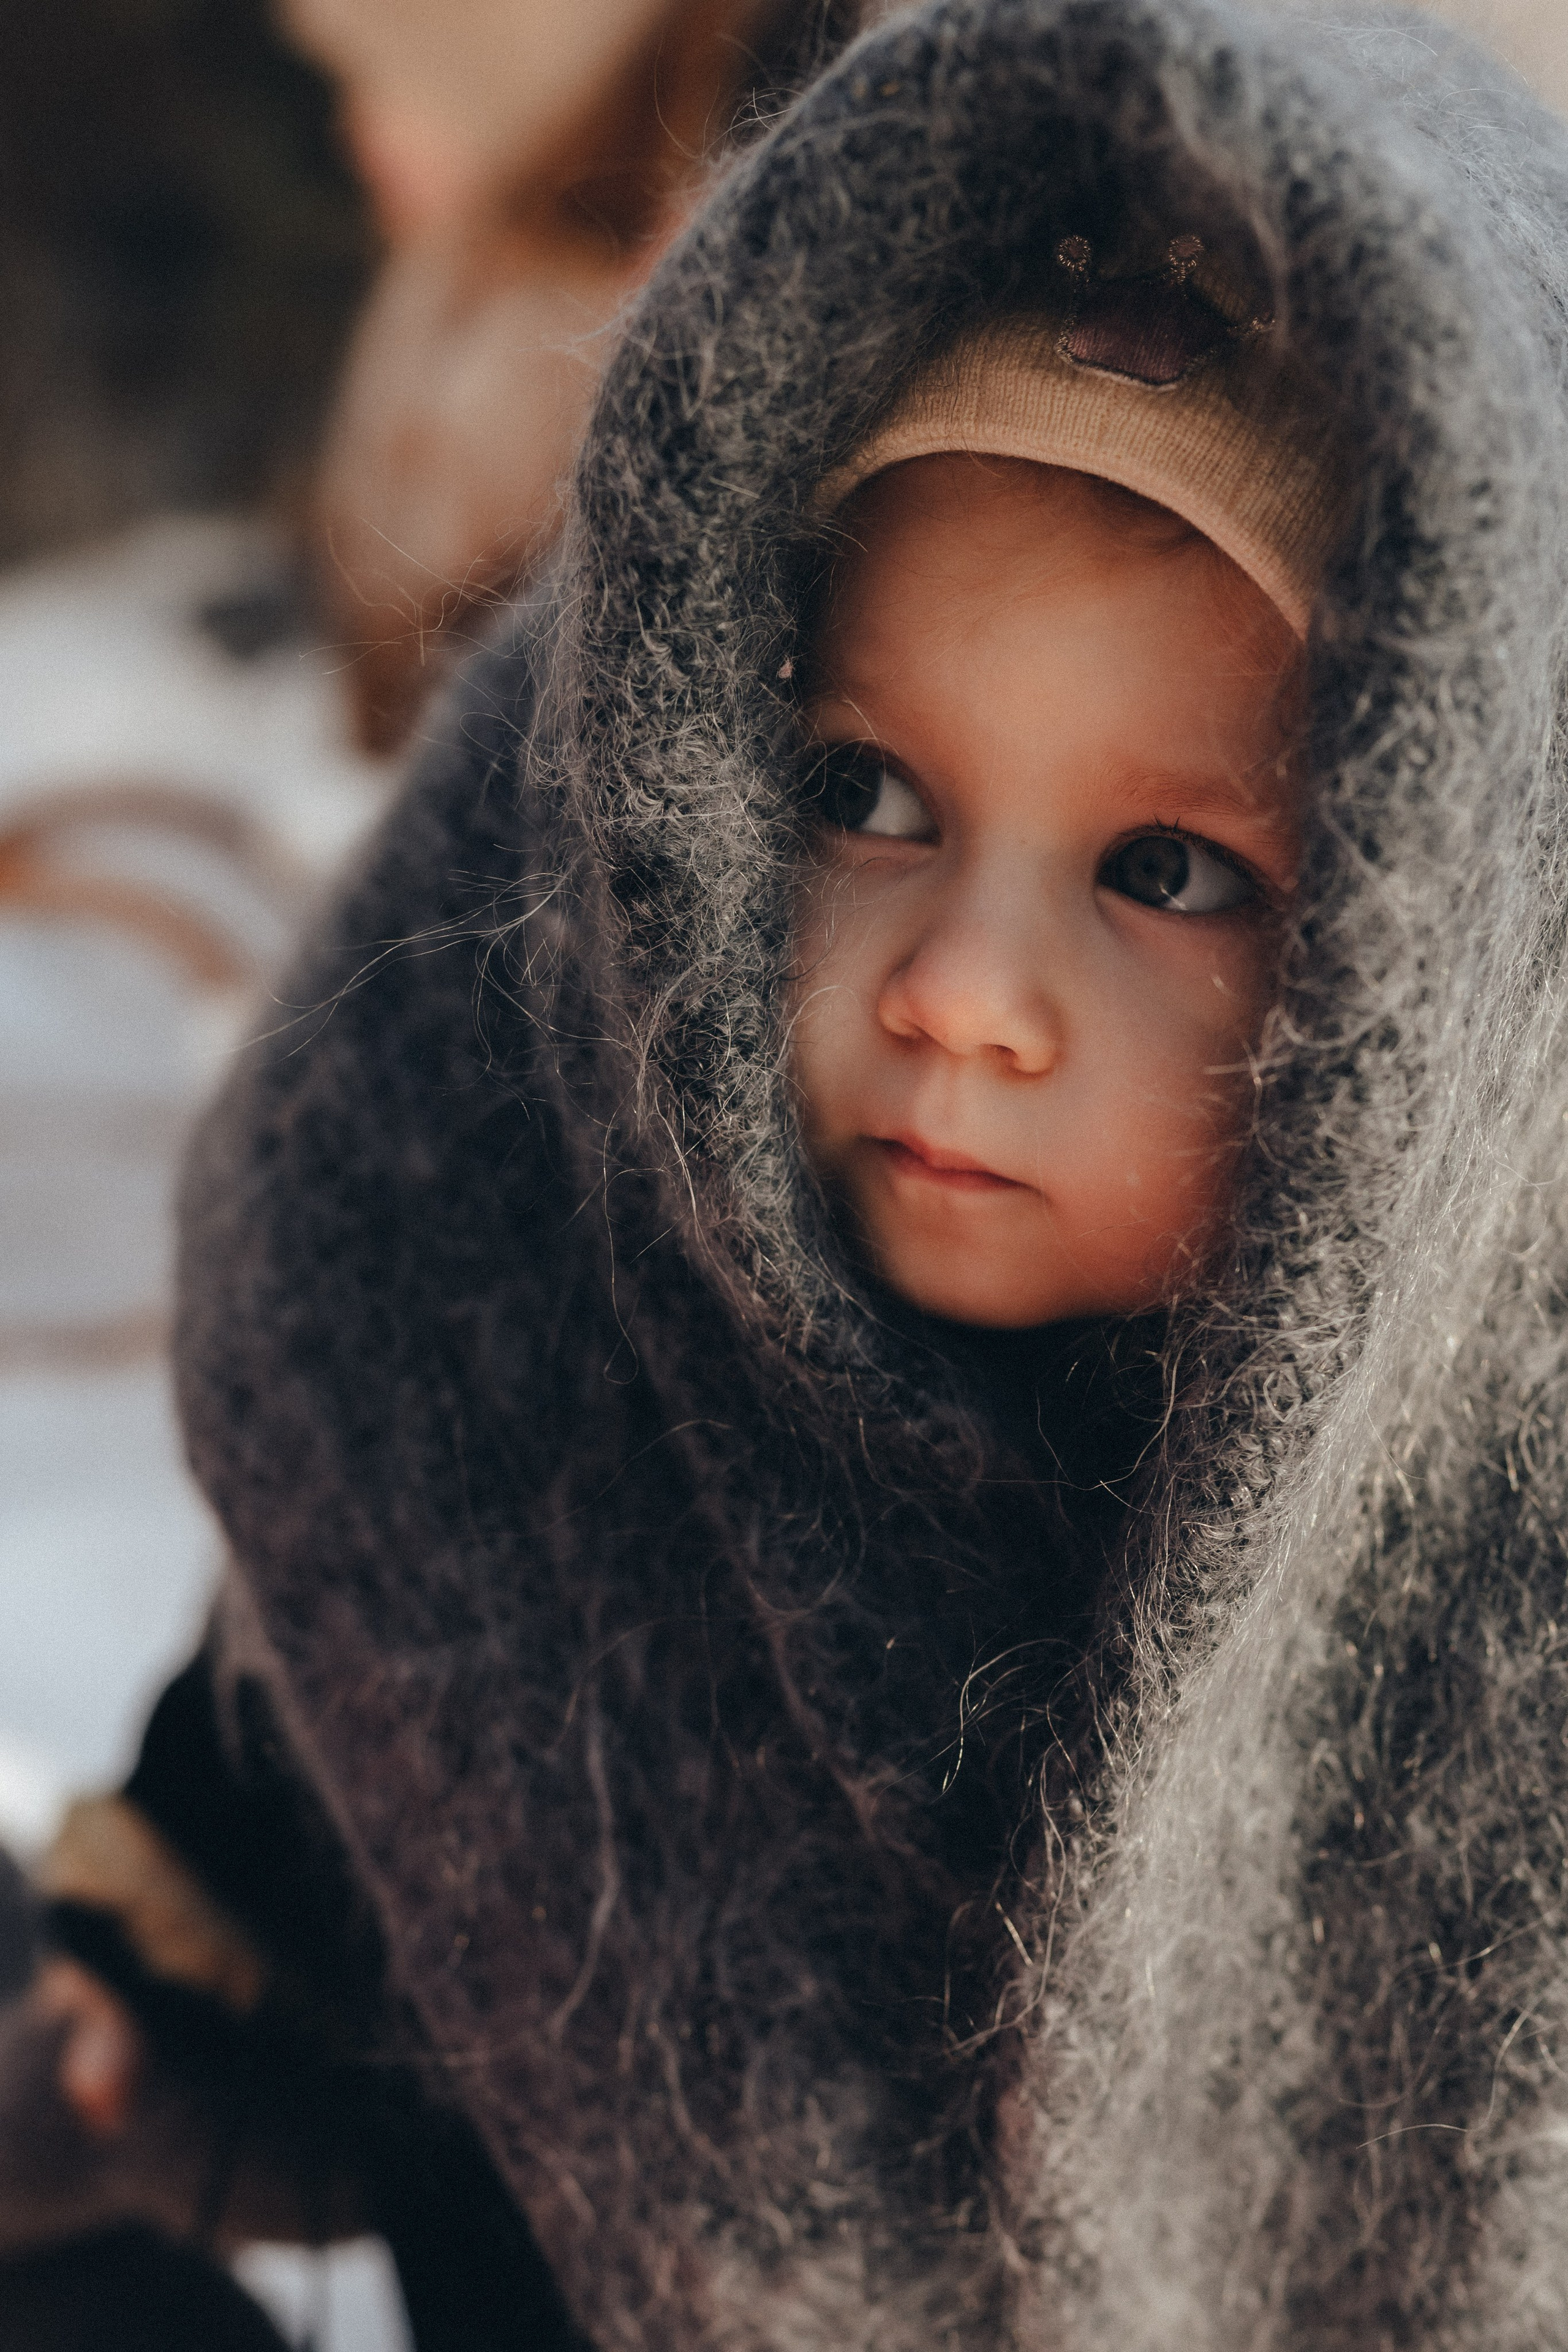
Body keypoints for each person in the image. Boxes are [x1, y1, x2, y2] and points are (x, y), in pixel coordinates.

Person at [10, 0, 1568, 2341]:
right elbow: (317, 1812)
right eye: (859, 796)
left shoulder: (1494, 1609)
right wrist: (164, 2029)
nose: (962, 986)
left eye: (1166, 867)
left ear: (1439, 986)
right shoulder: (505, 1283)